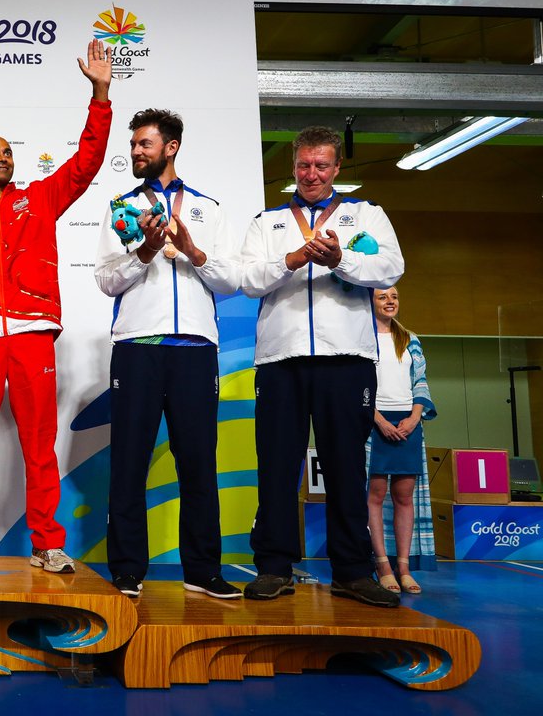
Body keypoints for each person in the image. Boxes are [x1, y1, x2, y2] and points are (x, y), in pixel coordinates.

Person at [0, 41, 112, 575]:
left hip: (33, 332)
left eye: (9, 152)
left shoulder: (40, 199)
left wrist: (99, 95)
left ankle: (46, 543)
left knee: (40, 443)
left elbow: (86, 163)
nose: (4, 159)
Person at [240, 125, 404, 608]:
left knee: (345, 467)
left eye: (322, 165)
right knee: (276, 467)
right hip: (280, 360)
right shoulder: (267, 221)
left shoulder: (365, 214)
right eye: (304, 165)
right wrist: (290, 259)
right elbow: (248, 280)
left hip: (347, 360)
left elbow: (391, 268)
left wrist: (340, 259)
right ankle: (273, 566)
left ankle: (352, 571)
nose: (312, 174)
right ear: (293, 166)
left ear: (336, 169)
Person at [92, 109, 242, 598]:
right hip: (137, 348)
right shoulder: (121, 208)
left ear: (171, 147)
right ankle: (128, 570)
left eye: (145, 144)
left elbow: (231, 280)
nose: (136, 152)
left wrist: (194, 252)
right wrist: (144, 252)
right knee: (129, 462)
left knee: (198, 463)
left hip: (195, 351)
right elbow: (105, 279)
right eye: (134, 145)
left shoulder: (208, 208)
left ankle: (202, 570)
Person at [367, 286, 436, 595]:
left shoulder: (410, 339)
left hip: (408, 423)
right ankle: (382, 565)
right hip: (373, 422)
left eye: (394, 296)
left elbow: (420, 381)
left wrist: (414, 417)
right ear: (370, 302)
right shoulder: (362, 338)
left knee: (405, 496)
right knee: (376, 494)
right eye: (383, 297)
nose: (390, 301)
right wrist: (378, 420)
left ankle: (404, 566)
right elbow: (357, 385)